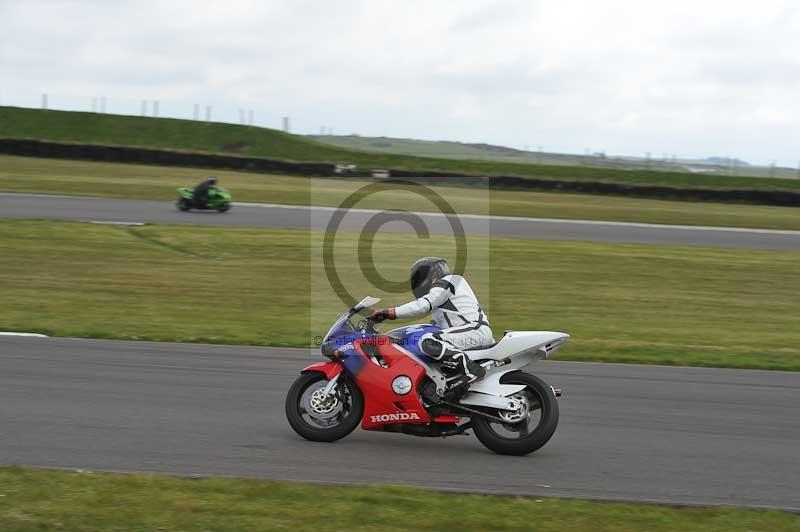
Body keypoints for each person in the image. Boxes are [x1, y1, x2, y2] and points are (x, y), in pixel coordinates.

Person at [370, 257, 493, 401]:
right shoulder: (445, 293)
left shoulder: (449, 281)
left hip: (474, 331)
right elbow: (434, 324)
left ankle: (471, 370)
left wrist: (390, 312)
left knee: (428, 341)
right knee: (425, 341)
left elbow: (423, 305)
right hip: (467, 333)